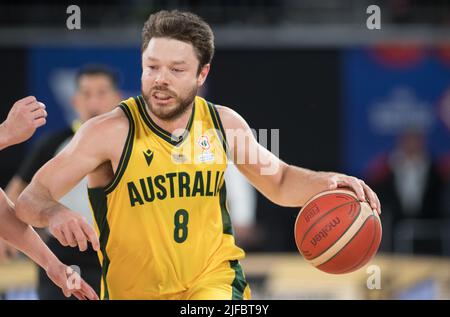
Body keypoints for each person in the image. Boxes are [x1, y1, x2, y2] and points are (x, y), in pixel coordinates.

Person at [15, 10, 381, 300]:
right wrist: (55, 211)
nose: (161, 79)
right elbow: (29, 201)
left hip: (213, 282)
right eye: (152, 67)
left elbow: (280, 181)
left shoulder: (224, 124)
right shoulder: (107, 131)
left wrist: (327, 181)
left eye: (176, 70)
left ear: (201, 73)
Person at [3, 65, 121, 299]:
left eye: (102, 93)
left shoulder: (132, 145)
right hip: (64, 253)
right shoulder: (53, 144)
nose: (94, 102)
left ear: (118, 98)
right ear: (75, 101)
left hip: (114, 255)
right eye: (86, 94)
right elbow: (16, 193)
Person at [0, 96, 98, 300]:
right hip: (67, 249)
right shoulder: (55, 142)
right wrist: (6, 133)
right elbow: (23, 194)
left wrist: (51, 264)